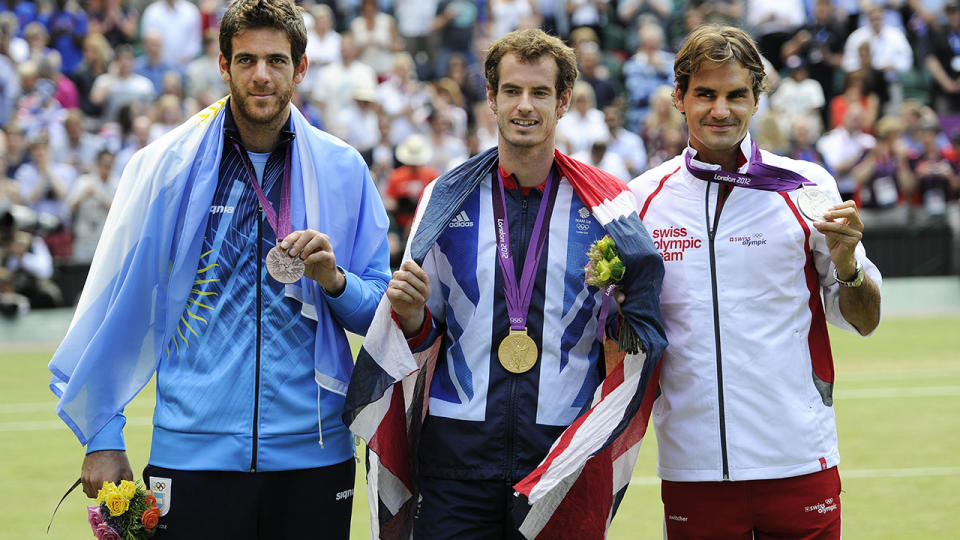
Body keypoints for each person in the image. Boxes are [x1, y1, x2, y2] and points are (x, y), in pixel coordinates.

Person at [48, 1, 391, 538]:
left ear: (300, 68)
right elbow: (120, 304)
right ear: (223, 65)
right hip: (192, 457)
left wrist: (335, 282)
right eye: (246, 59)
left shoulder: (343, 169)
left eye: (276, 61)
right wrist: (103, 436)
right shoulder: (167, 168)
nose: (261, 75)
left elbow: (379, 312)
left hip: (313, 456)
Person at [344, 28, 668, 539]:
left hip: (560, 458)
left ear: (563, 102)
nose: (525, 106)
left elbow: (633, 340)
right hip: (456, 457)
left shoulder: (606, 208)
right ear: (491, 98)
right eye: (512, 91)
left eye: (540, 92)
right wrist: (410, 318)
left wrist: (629, 314)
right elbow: (426, 334)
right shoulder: (445, 199)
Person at [629, 25, 882, 539]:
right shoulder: (641, 202)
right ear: (679, 97)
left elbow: (865, 320)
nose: (720, 110)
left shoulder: (807, 187)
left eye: (735, 94)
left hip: (798, 457)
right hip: (693, 464)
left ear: (757, 99)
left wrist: (849, 264)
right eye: (705, 94)